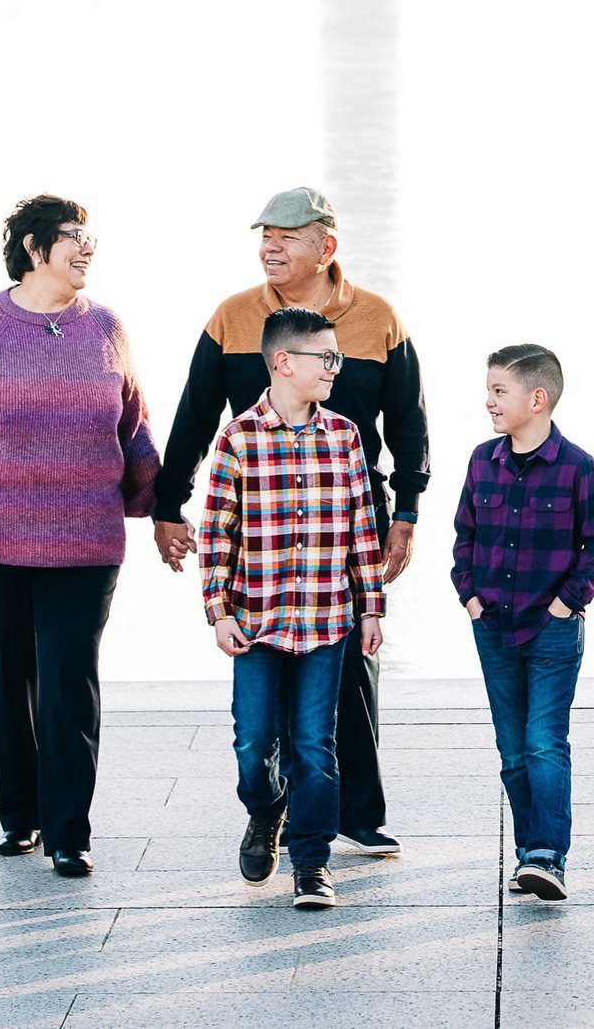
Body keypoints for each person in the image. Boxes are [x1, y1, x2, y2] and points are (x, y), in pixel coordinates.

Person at [151, 187, 428, 855]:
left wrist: (408, 511)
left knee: (354, 667)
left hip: (354, 510)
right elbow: (195, 416)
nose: (270, 246)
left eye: (287, 235)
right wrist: (168, 503)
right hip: (261, 521)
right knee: (266, 671)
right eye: (265, 233)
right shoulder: (233, 317)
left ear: (325, 246)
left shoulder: (379, 318)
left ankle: (357, 811)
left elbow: (410, 423)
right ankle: (271, 794)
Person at [0, 195, 159, 878]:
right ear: (32, 245)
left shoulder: (106, 325)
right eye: (75, 237)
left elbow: (133, 425)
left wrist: (161, 508)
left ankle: (69, 830)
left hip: (86, 540)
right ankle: (22, 814)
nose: (88, 248)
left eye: (90, 238)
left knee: (70, 680)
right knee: (10, 677)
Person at [199, 307, 386, 911]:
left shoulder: (345, 436)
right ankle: (264, 808)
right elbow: (217, 532)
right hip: (256, 620)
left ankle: (311, 863)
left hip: (326, 619)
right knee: (253, 744)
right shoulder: (238, 437)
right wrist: (218, 609)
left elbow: (362, 526)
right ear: (283, 362)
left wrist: (371, 609)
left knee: (314, 744)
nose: (336, 367)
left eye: (337, 357)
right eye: (325, 358)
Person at [457, 345, 594, 901]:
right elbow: (465, 537)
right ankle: (531, 854)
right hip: (492, 625)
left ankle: (549, 855)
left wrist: (565, 604)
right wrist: (470, 598)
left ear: (537, 398)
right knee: (512, 749)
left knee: (545, 740)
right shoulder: (483, 460)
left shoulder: (577, 466)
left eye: (500, 391)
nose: (490, 401)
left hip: (551, 631)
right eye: (490, 390)